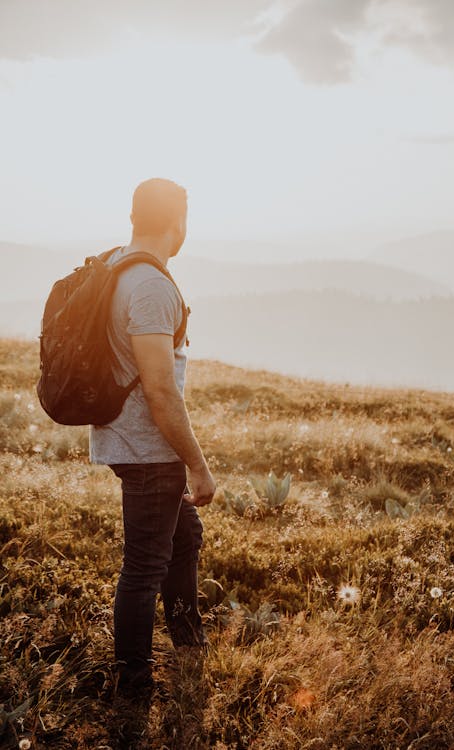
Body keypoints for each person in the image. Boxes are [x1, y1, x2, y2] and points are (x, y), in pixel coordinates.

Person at [89, 177, 217, 694]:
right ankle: (134, 684)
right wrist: (199, 464)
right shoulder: (151, 286)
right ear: (178, 223)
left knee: (183, 536)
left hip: (129, 439)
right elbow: (162, 392)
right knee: (144, 565)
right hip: (147, 447)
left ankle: (188, 641)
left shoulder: (116, 264)